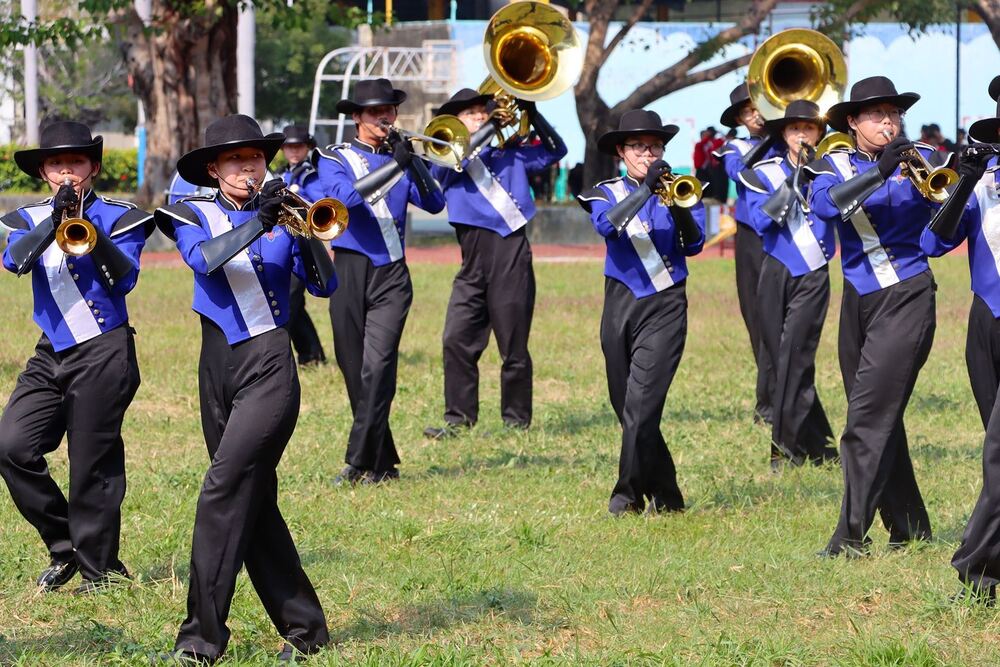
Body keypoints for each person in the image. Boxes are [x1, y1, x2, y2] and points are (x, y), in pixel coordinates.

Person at [154, 114, 336, 662]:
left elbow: (327, 285)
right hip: (217, 365)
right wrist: (259, 221)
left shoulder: (283, 208)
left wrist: (301, 231)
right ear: (213, 169)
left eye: (255, 158)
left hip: (270, 365)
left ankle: (201, 639)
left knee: (223, 490)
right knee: (250, 499)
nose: (248, 167)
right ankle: (306, 629)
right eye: (235, 159)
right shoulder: (189, 211)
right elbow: (203, 260)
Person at [0, 121, 152, 594]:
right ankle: (65, 544)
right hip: (51, 351)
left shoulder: (123, 216)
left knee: (92, 462)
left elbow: (123, 278)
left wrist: (86, 228)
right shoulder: (24, 218)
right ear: (43, 171)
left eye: (77, 162)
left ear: (94, 167)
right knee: (11, 446)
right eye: (56, 163)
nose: (67, 172)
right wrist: (54, 221)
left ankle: (99, 570)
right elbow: (14, 262)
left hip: (104, 347)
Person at [806, 76, 949, 558]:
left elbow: (943, 227)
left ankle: (849, 536)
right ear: (853, 121)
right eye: (875, 114)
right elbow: (825, 207)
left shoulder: (922, 160)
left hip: (907, 295)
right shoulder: (832, 163)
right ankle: (910, 527)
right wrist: (878, 172)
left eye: (893, 114)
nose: (887, 122)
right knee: (879, 415)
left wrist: (941, 182)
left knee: (866, 420)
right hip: (858, 302)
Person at [311, 78, 445, 484]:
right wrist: (396, 165)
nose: (384, 118)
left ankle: (357, 461)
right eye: (374, 112)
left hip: (392, 275)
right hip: (349, 270)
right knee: (355, 370)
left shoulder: (400, 157)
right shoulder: (332, 157)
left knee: (379, 366)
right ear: (357, 117)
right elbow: (346, 200)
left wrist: (415, 161)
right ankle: (383, 464)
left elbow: (436, 204)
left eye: (389, 110)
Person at [577, 109, 705, 515]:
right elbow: (607, 227)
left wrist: (674, 201)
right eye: (637, 147)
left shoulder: (681, 188)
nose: (647, 153)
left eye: (654, 146)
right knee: (627, 406)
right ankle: (667, 497)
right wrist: (645, 190)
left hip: (666, 305)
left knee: (641, 406)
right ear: (621, 151)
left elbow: (695, 243)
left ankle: (626, 497)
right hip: (619, 302)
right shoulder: (605, 191)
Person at [420, 87, 567, 439]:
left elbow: (555, 150)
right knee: (456, 339)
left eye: (482, 112)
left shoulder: (511, 154)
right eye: (471, 115)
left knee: (513, 344)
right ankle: (459, 419)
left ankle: (516, 421)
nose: (480, 117)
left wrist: (534, 112)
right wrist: (474, 140)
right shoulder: (447, 156)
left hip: (511, 253)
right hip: (471, 259)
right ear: (456, 122)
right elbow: (435, 183)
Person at [919, 75, 1000, 603]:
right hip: (986, 323)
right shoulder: (983, 176)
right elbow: (932, 241)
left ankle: (976, 570)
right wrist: (967, 181)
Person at [738, 100, 837, 469]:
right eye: (795, 129)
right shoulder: (762, 173)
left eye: (809, 129)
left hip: (812, 273)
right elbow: (763, 224)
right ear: (783, 133)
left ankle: (784, 450)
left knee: (796, 355)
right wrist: (795, 179)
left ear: (819, 133)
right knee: (781, 362)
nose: (802, 135)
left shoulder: (830, 171)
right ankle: (822, 447)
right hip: (774, 270)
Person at [713, 83, 779, 425]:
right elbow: (739, 172)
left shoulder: (787, 140)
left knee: (782, 321)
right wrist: (771, 138)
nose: (756, 115)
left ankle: (778, 397)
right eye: (748, 111)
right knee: (757, 318)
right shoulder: (733, 147)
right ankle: (767, 400)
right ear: (739, 118)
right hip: (751, 238)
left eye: (760, 107)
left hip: (784, 235)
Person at [279, 124, 327, 367]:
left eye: (298, 146)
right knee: (295, 306)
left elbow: (319, 205)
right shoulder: (281, 174)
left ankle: (280, 356)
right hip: (283, 248)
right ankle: (313, 355)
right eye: (289, 146)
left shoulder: (311, 175)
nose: (294, 151)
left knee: (288, 303)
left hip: (302, 249)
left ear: (307, 147)